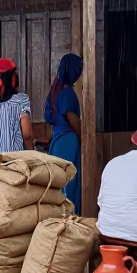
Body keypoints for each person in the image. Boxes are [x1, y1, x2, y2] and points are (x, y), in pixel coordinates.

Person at [44, 52, 83, 211]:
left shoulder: (55, 91)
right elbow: (73, 121)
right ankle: (71, 217)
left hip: (57, 140)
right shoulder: (68, 93)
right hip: (69, 140)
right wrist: (84, 137)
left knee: (59, 182)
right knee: (70, 181)